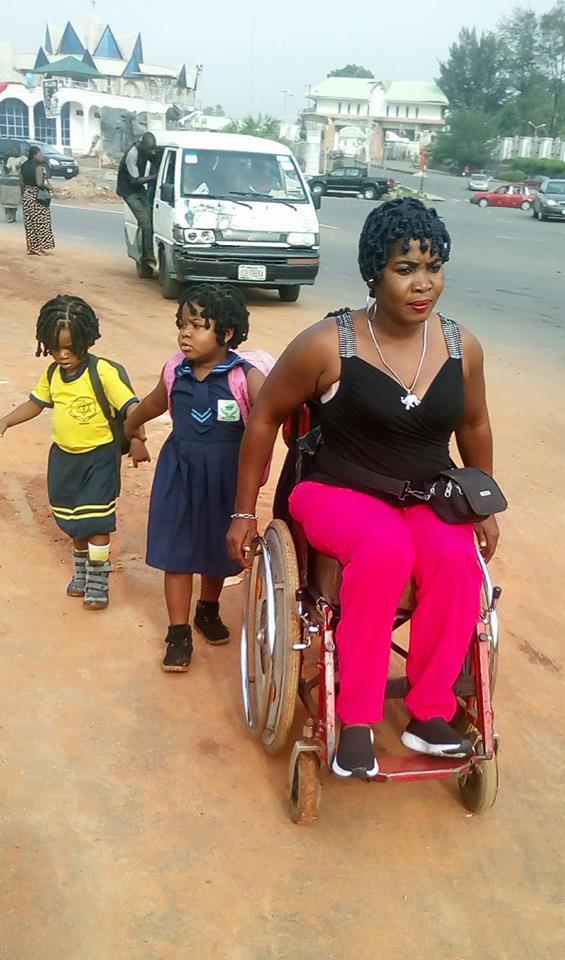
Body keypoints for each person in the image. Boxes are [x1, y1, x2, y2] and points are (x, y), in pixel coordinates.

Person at [228, 197, 500, 779]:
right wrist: (242, 513)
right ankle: (356, 720)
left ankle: (430, 713)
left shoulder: (461, 346)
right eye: (405, 269)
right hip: (334, 490)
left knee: (457, 560)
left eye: (433, 267)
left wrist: (483, 504)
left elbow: (474, 425)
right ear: (374, 271)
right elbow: (265, 417)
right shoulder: (329, 343)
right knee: (385, 551)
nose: (422, 284)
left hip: (426, 493)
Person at [125, 284, 264, 673]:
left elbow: (268, 422)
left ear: (228, 333)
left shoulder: (244, 378)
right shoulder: (174, 370)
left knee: (216, 550)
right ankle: (178, 632)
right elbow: (153, 402)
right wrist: (131, 427)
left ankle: (208, 608)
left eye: (198, 325)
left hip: (224, 480)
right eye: (182, 325)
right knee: (178, 553)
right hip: (179, 474)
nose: (185, 333)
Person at [0, 295, 150, 609]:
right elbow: (35, 404)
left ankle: (98, 580)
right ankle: (81, 569)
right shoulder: (53, 375)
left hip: (99, 458)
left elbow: (131, 406)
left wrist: (138, 439)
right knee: (73, 519)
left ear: (86, 339)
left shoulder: (104, 372)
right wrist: (6, 421)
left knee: (96, 520)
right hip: (64, 459)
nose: (63, 355)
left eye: (70, 347)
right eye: (56, 349)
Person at [116, 132, 158, 265]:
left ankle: (140, 248)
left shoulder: (145, 150)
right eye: (150, 149)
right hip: (128, 191)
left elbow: (155, 159)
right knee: (145, 222)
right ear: (143, 145)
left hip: (139, 190)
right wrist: (154, 177)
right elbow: (135, 180)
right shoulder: (132, 155)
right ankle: (147, 256)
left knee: (149, 219)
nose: (151, 152)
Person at [19, 146, 55, 256]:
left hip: (26, 195)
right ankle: (39, 248)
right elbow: (40, 183)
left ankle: (31, 247)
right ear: (35, 155)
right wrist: (49, 187)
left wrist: (23, 195)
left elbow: (21, 183)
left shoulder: (23, 166)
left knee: (30, 222)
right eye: (40, 154)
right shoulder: (39, 167)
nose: (41, 156)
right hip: (37, 196)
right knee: (40, 222)